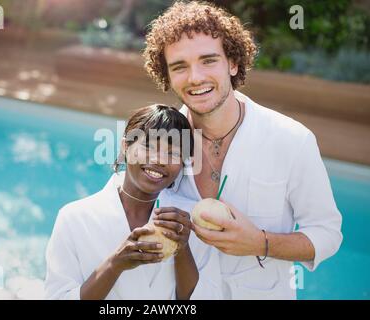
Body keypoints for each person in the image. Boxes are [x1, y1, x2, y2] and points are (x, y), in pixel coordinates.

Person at [143, 1, 343, 299]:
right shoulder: (156, 140)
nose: (195, 77)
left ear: (233, 63)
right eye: (180, 66)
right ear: (167, 75)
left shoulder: (292, 140)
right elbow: (122, 206)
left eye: (208, 60)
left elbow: (327, 234)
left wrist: (261, 243)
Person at [45, 104, 222, 300]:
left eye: (173, 153)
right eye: (148, 146)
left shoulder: (190, 220)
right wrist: (114, 264)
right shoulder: (75, 218)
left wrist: (182, 250)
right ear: (126, 146)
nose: (159, 160)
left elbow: (206, 296)